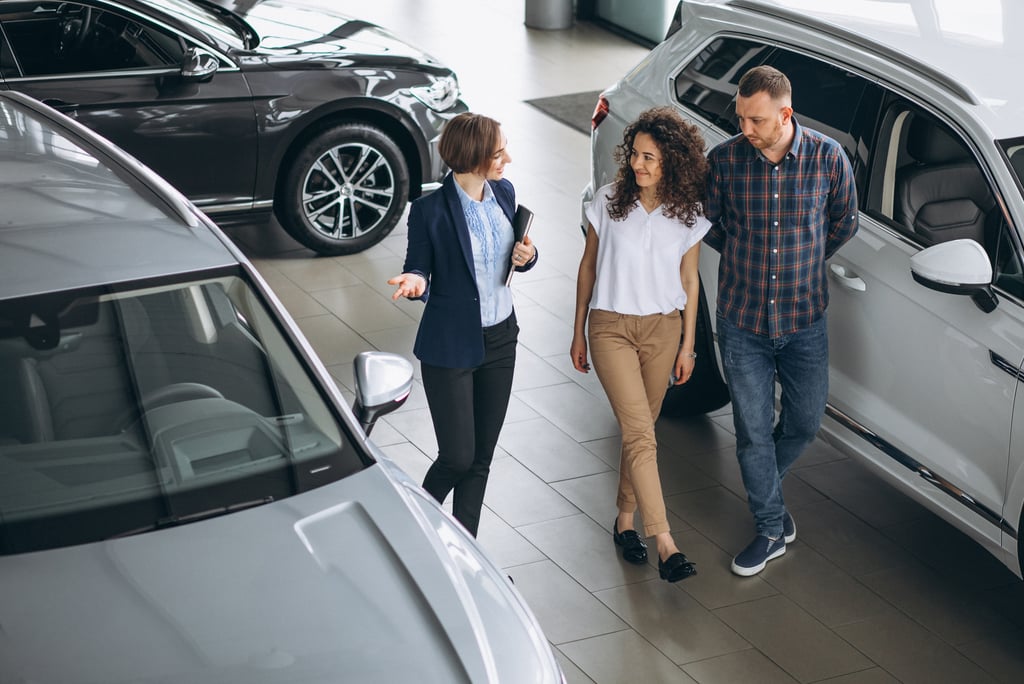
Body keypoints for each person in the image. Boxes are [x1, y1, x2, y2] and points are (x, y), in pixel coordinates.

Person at [704, 65, 858, 576]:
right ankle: (770, 528)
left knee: (805, 422)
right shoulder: (724, 161)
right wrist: (752, 256)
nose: (745, 128)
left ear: (785, 113)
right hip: (742, 319)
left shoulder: (827, 158)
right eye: (741, 117)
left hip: (804, 318)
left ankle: (764, 487)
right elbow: (713, 225)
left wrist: (806, 261)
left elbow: (845, 220)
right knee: (751, 431)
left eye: (756, 119)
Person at [571, 107, 709, 582]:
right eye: (635, 154)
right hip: (609, 327)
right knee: (640, 433)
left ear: (672, 161)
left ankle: (624, 521)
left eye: (649, 157)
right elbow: (588, 267)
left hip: (663, 331)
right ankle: (665, 542)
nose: (638, 164)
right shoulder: (609, 202)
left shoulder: (687, 214)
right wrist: (577, 331)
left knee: (642, 432)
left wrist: (688, 345)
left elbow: (690, 282)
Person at [387, 112, 536, 538]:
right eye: (498, 152)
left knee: (481, 459)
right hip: (451, 346)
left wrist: (529, 257)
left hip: (501, 338)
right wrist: (415, 282)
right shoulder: (429, 210)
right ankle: (416, 531)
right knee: (457, 456)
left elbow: (517, 255)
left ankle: (466, 551)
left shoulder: (504, 192)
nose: (507, 158)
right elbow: (417, 266)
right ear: (472, 157)